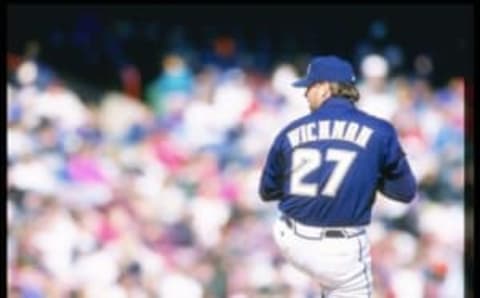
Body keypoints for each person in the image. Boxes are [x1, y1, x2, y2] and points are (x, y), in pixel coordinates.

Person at [259, 55, 417, 297]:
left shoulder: (289, 131)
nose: (305, 94)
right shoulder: (380, 131)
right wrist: (369, 176)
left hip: (289, 238)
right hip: (341, 250)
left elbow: (268, 191)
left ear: (324, 89)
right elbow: (405, 192)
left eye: (309, 87)